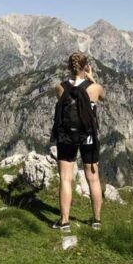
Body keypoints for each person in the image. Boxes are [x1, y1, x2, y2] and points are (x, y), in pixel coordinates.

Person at [51, 52, 106, 232]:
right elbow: (102, 97)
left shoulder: (60, 87)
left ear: (69, 67)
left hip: (67, 137)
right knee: (93, 179)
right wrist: (92, 79)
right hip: (88, 137)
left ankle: (64, 222)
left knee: (66, 178)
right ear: (86, 67)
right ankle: (96, 220)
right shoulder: (95, 88)